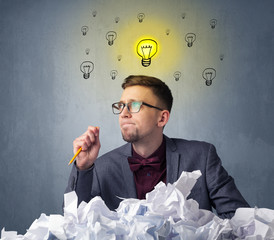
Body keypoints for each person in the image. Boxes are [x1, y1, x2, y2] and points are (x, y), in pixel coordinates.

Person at [65, 75, 249, 219]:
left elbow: (239, 218)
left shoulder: (202, 156)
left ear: (162, 118)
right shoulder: (99, 167)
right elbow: (75, 222)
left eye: (135, 105)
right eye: (121, 106)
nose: (124, 113)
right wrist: (83, 167)